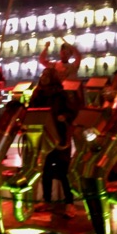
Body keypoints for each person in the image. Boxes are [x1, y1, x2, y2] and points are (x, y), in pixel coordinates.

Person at [29, 67, 80, 218]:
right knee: (46, 170)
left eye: (47, 75)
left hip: (59, 135)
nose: (44, 77)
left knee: (63, 171)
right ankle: (47, 200)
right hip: (44, 136)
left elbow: (72, 111)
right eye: (43, 75)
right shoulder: (37, 93)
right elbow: (31, 110)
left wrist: (64, 116)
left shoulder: (61, 94)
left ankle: (69, 203)